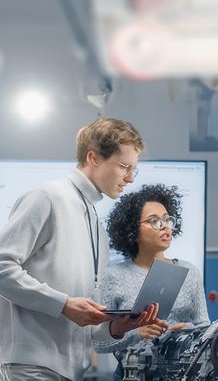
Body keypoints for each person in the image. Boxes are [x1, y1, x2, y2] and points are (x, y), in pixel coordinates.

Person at [0, 117, 159, 381]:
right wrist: (63, 304)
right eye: (123, 167)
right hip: (29, 368)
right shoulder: (47, 197)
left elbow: (83, 323)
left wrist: (117, 327)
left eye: (134, 170)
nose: (130, 178)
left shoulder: (96, 225)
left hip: (70, 372)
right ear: (93, 158)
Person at [94, 184, 210, 381]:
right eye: (154, 221)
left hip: (181, 375)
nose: (165, 226)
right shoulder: (113, 276)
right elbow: (99, 344)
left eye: (167, 219)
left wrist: (188, 331)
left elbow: (205, 328)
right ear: (133, 230)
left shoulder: (190, 271)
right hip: (133, 374)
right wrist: (137, 333)